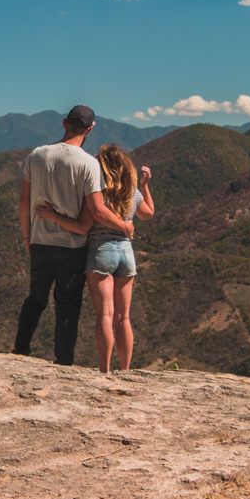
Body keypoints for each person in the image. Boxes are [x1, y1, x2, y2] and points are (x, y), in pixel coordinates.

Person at [13, 106, 133, 365]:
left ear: (64, 123)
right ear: (90, 129)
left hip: (40, 242)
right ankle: (63, 360)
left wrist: (27, 237)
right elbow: (98, 211)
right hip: (73, 246)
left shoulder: (36, 156)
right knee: (67, 306)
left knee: (35, 298)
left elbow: (23, 203)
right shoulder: (89, 163)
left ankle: (20, 349)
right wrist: (125, 227)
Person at [36, 144, 154, 374]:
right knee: (123, 317)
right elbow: (148, 213)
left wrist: (53, 216)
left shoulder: (97, 194)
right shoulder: (131, 191)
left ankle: (105, 370)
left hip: (101, 253)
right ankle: (126, 370)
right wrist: (144, 186)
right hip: (127, 255)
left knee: (105, 315)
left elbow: (82, 228)